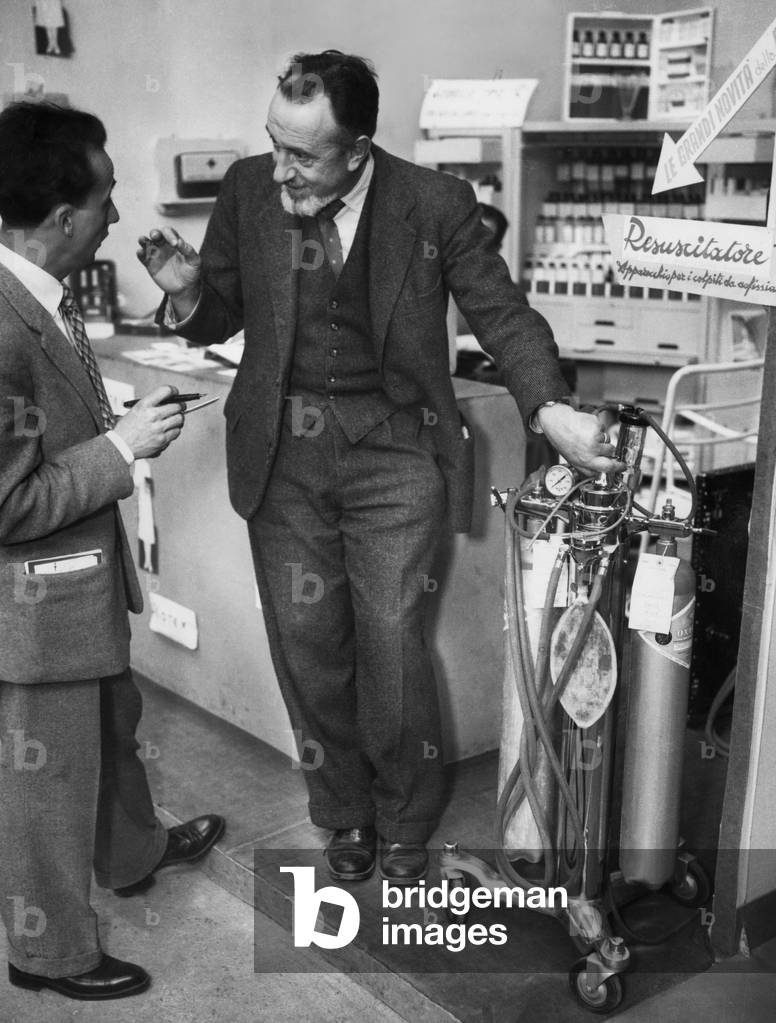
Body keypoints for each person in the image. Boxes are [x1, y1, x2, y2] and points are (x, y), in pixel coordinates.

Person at [137, 50, 622, 887]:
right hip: (283, 452)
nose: (281, 170)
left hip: (395, 449)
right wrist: (185, 293)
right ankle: (344, 810)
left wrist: (548, 406)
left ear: (358, 150)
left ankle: (403, 816)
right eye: (275, 145)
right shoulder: (251, 189)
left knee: (393, 640)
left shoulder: (433, 204)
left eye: (304, 156)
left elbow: (500, 311)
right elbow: (222, 308)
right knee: (308, 642)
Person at [0, 101, 225, 1001]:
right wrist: (124, 446)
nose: (119, 217)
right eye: (108, 199)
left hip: (81, 586)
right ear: (63, 217)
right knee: (45, 781)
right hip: (35, 606)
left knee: (113, 729)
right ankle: (45, 948)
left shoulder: (35, 298)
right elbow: (11, 503)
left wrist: (114, 425)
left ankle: (132, 850)